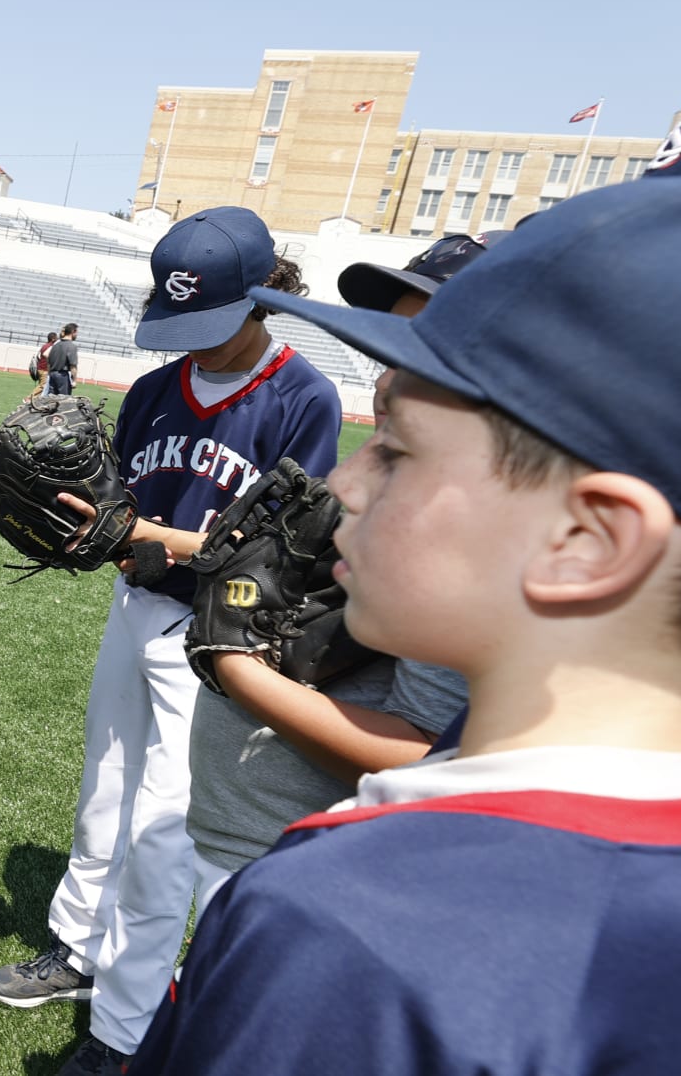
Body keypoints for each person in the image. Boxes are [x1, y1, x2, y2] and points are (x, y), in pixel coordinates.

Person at [132, 176, 681, 1074]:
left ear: (586, 541)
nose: (346, 487)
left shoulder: (346, 930)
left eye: (395, 450)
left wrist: (240, 666)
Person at [0, 207, 339, 1076]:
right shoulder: (151, 393)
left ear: (261, 301)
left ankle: (123, 1029)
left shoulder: (302, 397)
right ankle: (78, 947)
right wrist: (89, 538)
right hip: (136, 608)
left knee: (163, 829)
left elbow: (293, 543)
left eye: (211, 322)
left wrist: (150, 537)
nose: (194, 342)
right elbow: (117, 514)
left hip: (226, 637)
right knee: (105, 788)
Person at [178, 233, 487, 926]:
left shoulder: (461, 525)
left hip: (308, 864)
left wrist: (236, 668)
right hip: (252, 839)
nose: (385, 377)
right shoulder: (401, 471)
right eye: (387, 350)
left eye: (420, 352)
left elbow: (425, 760)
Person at [46, 323, 79, 396]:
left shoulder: (55, 345)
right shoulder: (71, 346)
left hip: (52, 374)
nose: (77, 335)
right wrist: (74, 380)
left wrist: (49, 374)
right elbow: (73, 366)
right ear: (73, 332)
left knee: (51, 400)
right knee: (64, 401)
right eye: (76, 333)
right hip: (63, 376)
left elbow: (48, 362)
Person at [32, 330, 58, 395]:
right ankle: (28, 398)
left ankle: (34, 401)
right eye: (56, 338)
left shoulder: (45, 345)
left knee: (42, 386)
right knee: (43, 386)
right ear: (53, 339)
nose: (57, 339)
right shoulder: (50, 347)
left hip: (40, 368)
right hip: (44, 369)